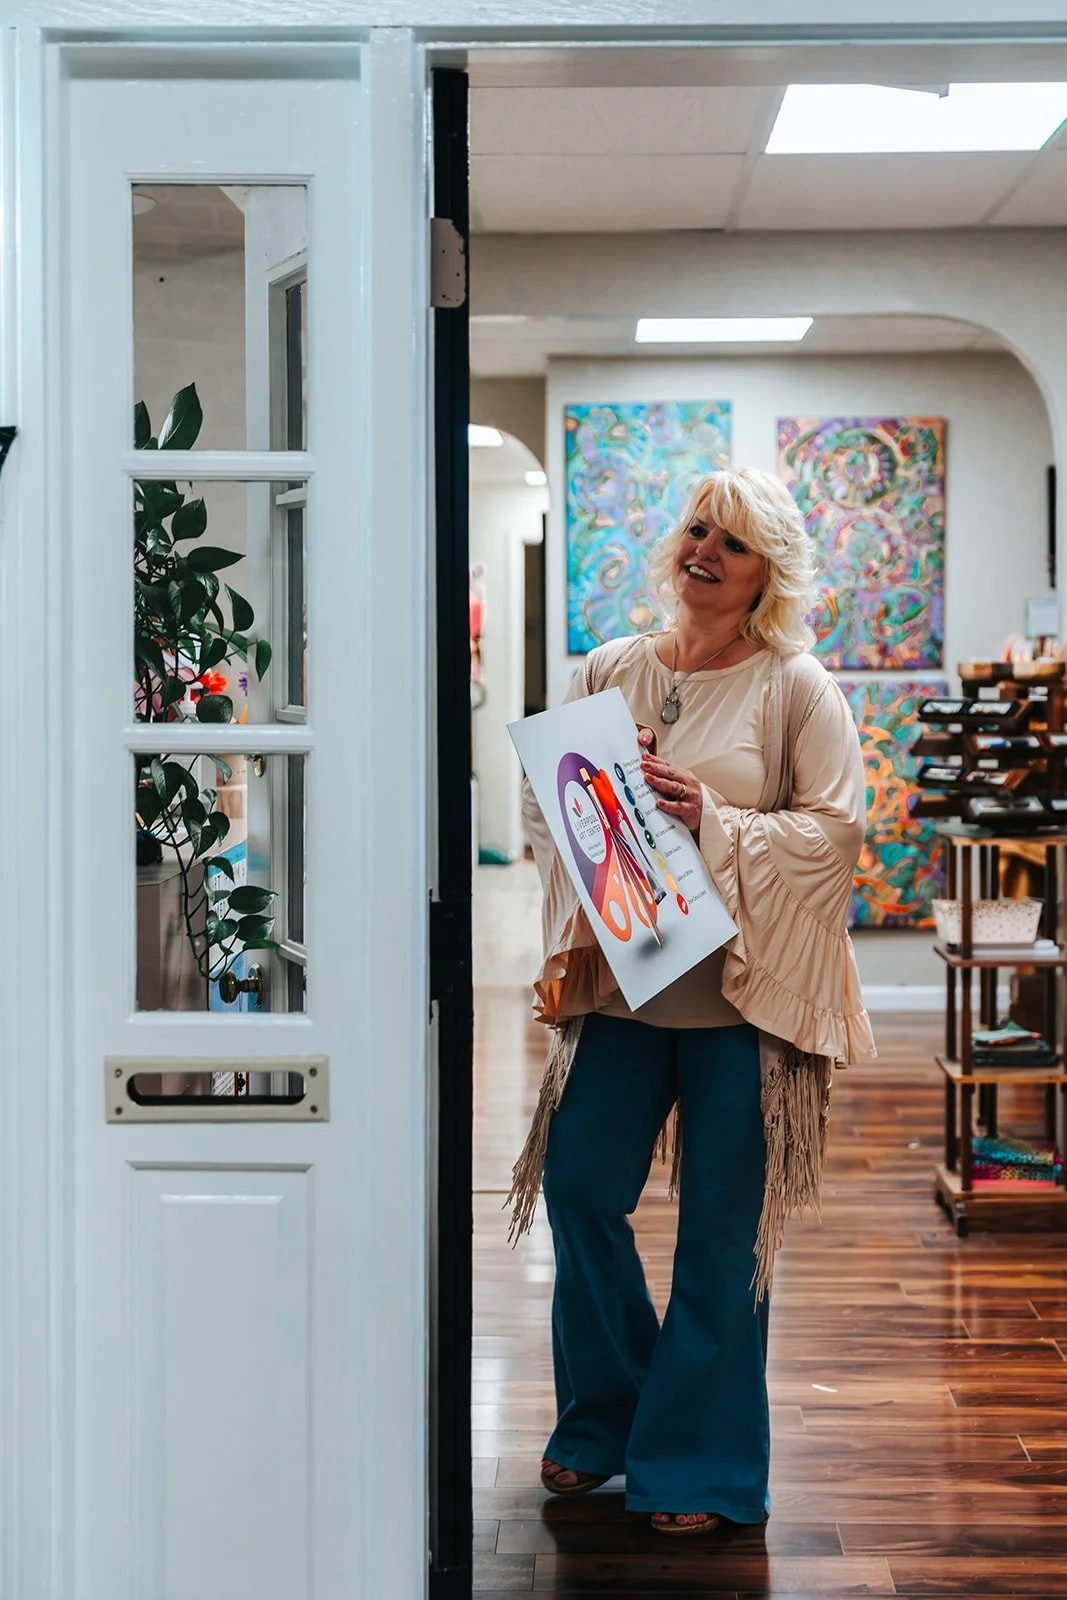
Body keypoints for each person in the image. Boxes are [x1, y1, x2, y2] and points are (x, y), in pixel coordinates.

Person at [509, 466, 876, 1537]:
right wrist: (593, 809)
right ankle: (607, 1421)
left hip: (738, 1011)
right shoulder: (611, 667)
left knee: (720, 1235)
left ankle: (700, 1463)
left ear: (767, 574)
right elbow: (547, 807)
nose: (703, 550)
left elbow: (834, 839)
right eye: (697, 529)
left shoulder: (794, 686)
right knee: (578, 1189)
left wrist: (709, 816)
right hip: (624, 992)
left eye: (735, 542)